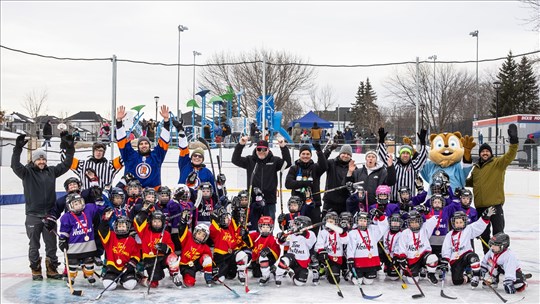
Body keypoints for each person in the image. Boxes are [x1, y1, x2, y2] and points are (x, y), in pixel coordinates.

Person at [11, 133, 75, 280]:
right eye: (39, 159)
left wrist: (70, 149)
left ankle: (52, 269)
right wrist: (17, 149)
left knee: (51, 244)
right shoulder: (26, 173)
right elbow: (15, 165)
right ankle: (36, 270)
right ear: (34, 160)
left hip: (49, 215)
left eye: (43, 159)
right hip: (33, 215)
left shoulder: (51, 171)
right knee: (34, 245)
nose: (41, 161)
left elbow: (66, 164)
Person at [466, 124, 518, 253]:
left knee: (498, 234)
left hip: (494, 206)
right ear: (480, 154)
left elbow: (510, 155)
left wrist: (514, 141)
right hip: (480, 207)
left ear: (491, 153)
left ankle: (500, 261)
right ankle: (488, 259)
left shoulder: (498, 164)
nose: (484, 153)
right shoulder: (476, 168)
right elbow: (470, 182)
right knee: (483, 235)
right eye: (482, 151)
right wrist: (454, 179)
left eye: (487, 151)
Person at [232, 136, 291, 220]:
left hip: (269, 201)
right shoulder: (250, 160)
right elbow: (235, 160)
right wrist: (241, 144)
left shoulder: (274, 161)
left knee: (268, 227)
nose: (261, 152)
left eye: (264, 149)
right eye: (259, 149)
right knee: (253, 227)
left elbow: (287, 163)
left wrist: (283, 147)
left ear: (268, 150)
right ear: (256, 150)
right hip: (253, 201)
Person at [115, 105, 171, 188]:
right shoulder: (130, 155)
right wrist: (119, 122)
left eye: (146, 143)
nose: (143, 145)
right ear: (138, 146)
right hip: (132, 194)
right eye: (141, 144)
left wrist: (166, 122)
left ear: (149, 145)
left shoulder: (156, 156)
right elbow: (122, 141)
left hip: (152, 195)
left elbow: (164, 142)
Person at [440, 207, 495, 287]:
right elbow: (446, 248)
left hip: (466, 255)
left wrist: (485, 217)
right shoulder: (449, 235)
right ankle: (469, 277)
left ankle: (476, 276)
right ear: (453, 223)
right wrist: (445, 259)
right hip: (455, 259)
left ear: (464, 222)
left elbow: (478, 226)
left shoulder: (468, 229)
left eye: (461, 222)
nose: (459, 224)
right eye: (457, 222)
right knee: (457, 281)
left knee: (473, 258)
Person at [58, 193, 105, 285]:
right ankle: (71, 277)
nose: (78, 205)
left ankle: (89, 275)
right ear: (70, 206)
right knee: (72, 263)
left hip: (89, 245)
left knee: (89, 261)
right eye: (75, 204)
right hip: (74, 247)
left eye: (79, 203)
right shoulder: (66, 217)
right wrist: (62, 240)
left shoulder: (88, 209)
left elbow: (101, 208)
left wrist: (99, 200)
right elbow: (64, 231)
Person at [377, 127, 428, 201]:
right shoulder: (393, 164)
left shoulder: (414, 165)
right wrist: (381, 141)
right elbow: (382, 155)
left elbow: (423, 157)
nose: (405, 155)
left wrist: (423, 143)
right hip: (394, 201)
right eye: (403, 153)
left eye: (407, 153)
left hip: (409, 202)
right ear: (400, 154)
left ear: (410, 155)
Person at [285, 143, 327, 226]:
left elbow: (324, 166)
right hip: (298, 205)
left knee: (314, 230)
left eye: (308, 154)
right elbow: (288, 184)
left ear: (311, 155)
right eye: (303, 154)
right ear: (299, 155)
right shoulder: (294, 168)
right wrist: (304, 183)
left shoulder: (315, 167)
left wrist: (319, 151)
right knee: (298, 230)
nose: (305, 156)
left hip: (314, 204)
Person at [346, 210, 388, 285]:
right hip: (358, 262)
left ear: (368, 221)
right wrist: (350, 258)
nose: (362, 222)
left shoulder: (373, 230)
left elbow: (383, 227)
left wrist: (381, 217)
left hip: (370, 262)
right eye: (360, 220)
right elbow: (350, 247)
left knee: (368, 282)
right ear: (357, 221)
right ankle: (350, 274)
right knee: (357, 282)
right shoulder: (353, 233)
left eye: (364, 221)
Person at [322, 143, 353, 215]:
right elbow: (321, 161)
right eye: (344, 153)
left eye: (348, 154)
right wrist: (329, 149)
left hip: (345, 203)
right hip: (330, 201)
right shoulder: (331, 163)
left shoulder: (352, 168)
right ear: (340, 153)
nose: (346, 156)